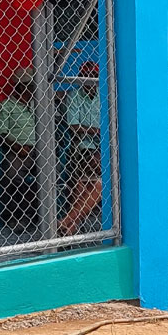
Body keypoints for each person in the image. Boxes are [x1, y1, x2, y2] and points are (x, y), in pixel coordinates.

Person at [0, 69, 39, 231]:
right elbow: (0, 133)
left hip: (41, 148)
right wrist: (17, 147)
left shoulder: (38, 104)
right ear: (20, 87)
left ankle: (41, 214)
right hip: (19, 149)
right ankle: (18, 215)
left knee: (51, 173)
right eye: (31, 85)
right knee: (12, 176)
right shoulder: (6, 106)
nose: (35, 88)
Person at [60, 63, 102, 236]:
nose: (89, 79)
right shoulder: (75, 95)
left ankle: (68, 222)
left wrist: (96, 134)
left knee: (88, 183)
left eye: (92, 75)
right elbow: (73, 125)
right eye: (85, 75)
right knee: (84, 183)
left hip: (103, 145)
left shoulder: (104, 95)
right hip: (83, 145)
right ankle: (71, 223)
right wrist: (95, 131)